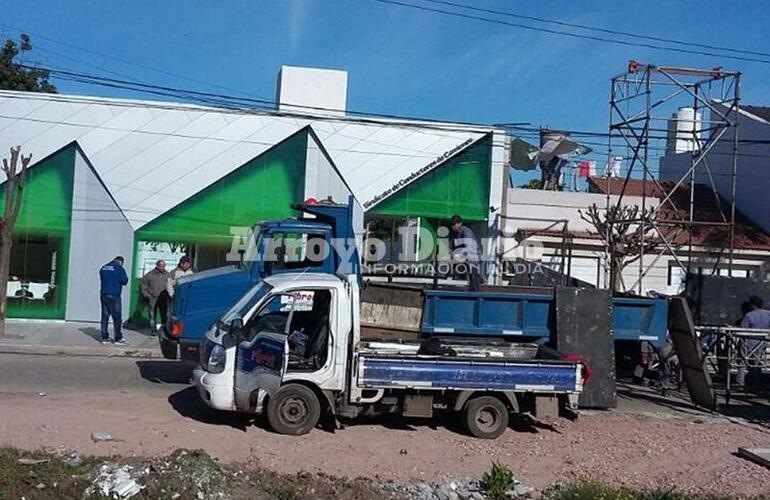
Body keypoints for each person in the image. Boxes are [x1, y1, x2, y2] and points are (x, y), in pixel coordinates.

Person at [739, 295, 770, 387]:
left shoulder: (749, 315)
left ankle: (740, 382)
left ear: (752, 305)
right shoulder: (768, 314)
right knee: (757, 363)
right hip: (763, 341)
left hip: (749, 341)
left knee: (743, 361)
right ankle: (757, 382)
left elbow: (743, 329)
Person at [99, 256, 129, 344]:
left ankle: (104, 337)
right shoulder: (119, 268)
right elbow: (125, 281)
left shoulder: (104, 267)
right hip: (114, 295)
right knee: (117, 317)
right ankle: (118, 338)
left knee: (105, 316)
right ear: (121, 262)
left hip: (104, 294)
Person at [449, 214, 482, 292]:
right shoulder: (456, 234)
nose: (453, 227)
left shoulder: (466, 232)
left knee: (473, 278)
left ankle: (475, 294)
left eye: (454, 224)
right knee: (472, 277)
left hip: (473, 258)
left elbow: (469, 248)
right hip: (466, 258)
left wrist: (458, 256)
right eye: (452, 225)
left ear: (460, 223)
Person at [141, 260, 168, 333]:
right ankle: (153, 330)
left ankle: (164, 330)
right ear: (157, 266)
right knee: (152, 315)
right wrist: (147, 295)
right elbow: (144, 286)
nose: (163, 268)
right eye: (162, 266)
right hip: (153, 298)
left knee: (164, 314)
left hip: (163, 298)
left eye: (164, 266)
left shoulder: (167, 274)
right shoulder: (150, 275)